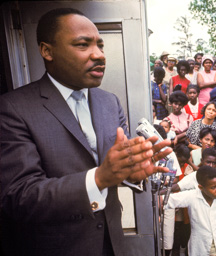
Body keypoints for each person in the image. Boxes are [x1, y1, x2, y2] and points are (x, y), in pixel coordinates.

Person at [0, 8, 172, 255]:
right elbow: (19, 196)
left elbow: (116, 167)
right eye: (83, 45)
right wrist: (99, 177)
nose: (99, 55)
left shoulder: (109, 102)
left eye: (100, 46)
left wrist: (132, 172)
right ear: (47, 51)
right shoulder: (13, 108)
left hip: (111, 245)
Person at [165, 166, 216, 256]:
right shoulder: (191, 197)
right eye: (213, 187)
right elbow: (166, 201)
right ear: (200, 187)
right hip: (200, 247)